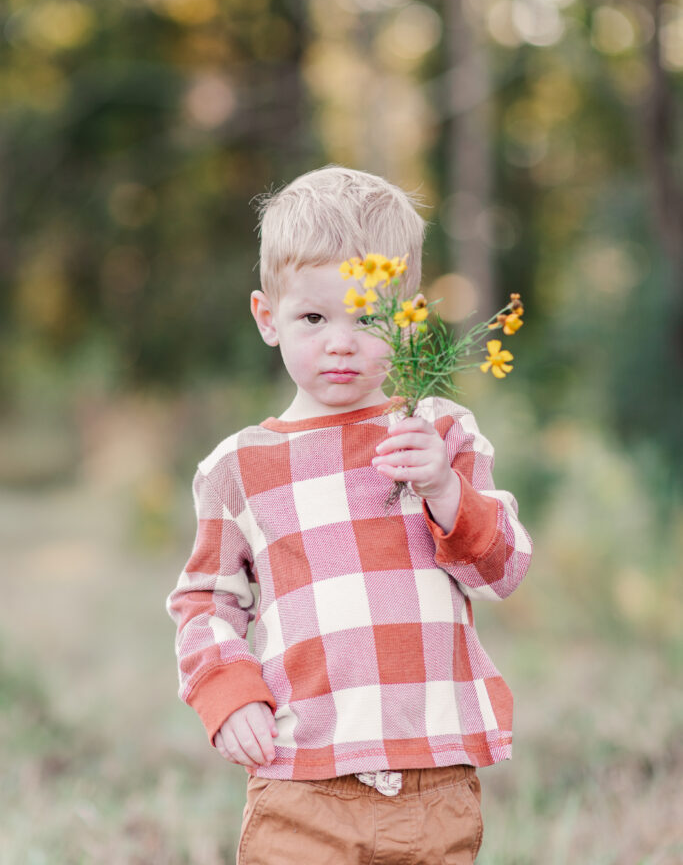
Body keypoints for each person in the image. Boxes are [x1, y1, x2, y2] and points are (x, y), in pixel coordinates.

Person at [166, 166, 533, 864]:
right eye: (313, 317)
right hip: (301, 769)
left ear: (409, 316)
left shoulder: (437, 430)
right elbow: (206, 601)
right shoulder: (238, 467)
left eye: (367, 316)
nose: (341, 340)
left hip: (432, 764)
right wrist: (228, 692)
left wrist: (443, 491)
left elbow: (503, 569)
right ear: (267, 317)